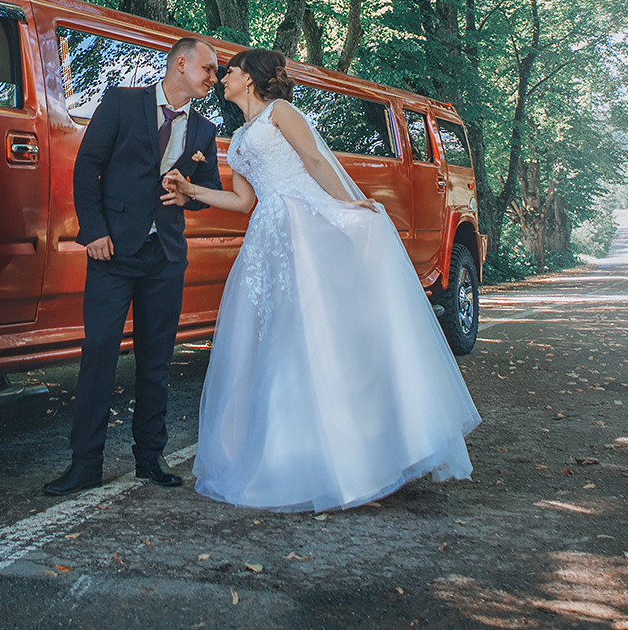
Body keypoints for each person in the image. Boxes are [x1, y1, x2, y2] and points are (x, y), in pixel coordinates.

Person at [163, 48, 480, 511]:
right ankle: (291, 452)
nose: (221, 78)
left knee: (314, 332)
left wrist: (346, 205)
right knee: (276, 341)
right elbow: (241, 200)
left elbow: (314, 161)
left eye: (228, 71)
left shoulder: (281, 113)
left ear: (249, 79)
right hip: (267, 237)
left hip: (301, 223)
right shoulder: (242, 131)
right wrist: (192, 190)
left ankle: (352, 457)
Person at [44, 37, 224, 495]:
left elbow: (205, 189)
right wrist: (95, 231)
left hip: (165, 257)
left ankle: (150, 457)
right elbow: (88, 168)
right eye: (208, 69)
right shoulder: (123, 103)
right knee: (99, 354)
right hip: (113, 252)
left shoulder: (203, 130)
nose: (213, 78)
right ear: (180, 65)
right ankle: (85, 464)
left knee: (156, 360)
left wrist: (189, 193)